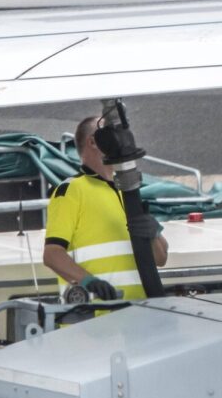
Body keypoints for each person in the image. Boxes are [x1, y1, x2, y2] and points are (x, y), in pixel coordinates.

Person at [41, 113, 168, 301]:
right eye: (109, 133)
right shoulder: (71, 190)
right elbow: (52, 255)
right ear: (93, 142)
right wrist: (89, 282)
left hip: (138, 316)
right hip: (94, 320)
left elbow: (161, 259)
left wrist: (153, 234)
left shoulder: (127, 192)